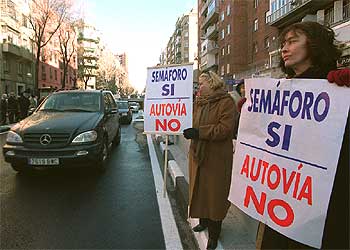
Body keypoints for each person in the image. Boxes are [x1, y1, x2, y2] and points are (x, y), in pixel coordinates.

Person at [252, 21, 349, 249]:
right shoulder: (281, 90)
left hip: (322, 205)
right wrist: (251, 114)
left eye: (293, 41)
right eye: (283, 43)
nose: (284, 48)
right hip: (282, 198)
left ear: (314, 46)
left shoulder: (337, 87)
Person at [183, 71, 236, 250]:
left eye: (201, 84)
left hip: (217, 158)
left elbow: (225, 129)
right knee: (200, 191)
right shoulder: (199, 104)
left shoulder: (226, 102)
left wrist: (199, 133)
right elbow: (192, 122)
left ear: (212, 83)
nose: (199, 88)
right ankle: (203, 222)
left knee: (215, 196)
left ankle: (214, 235)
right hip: (198, 155)